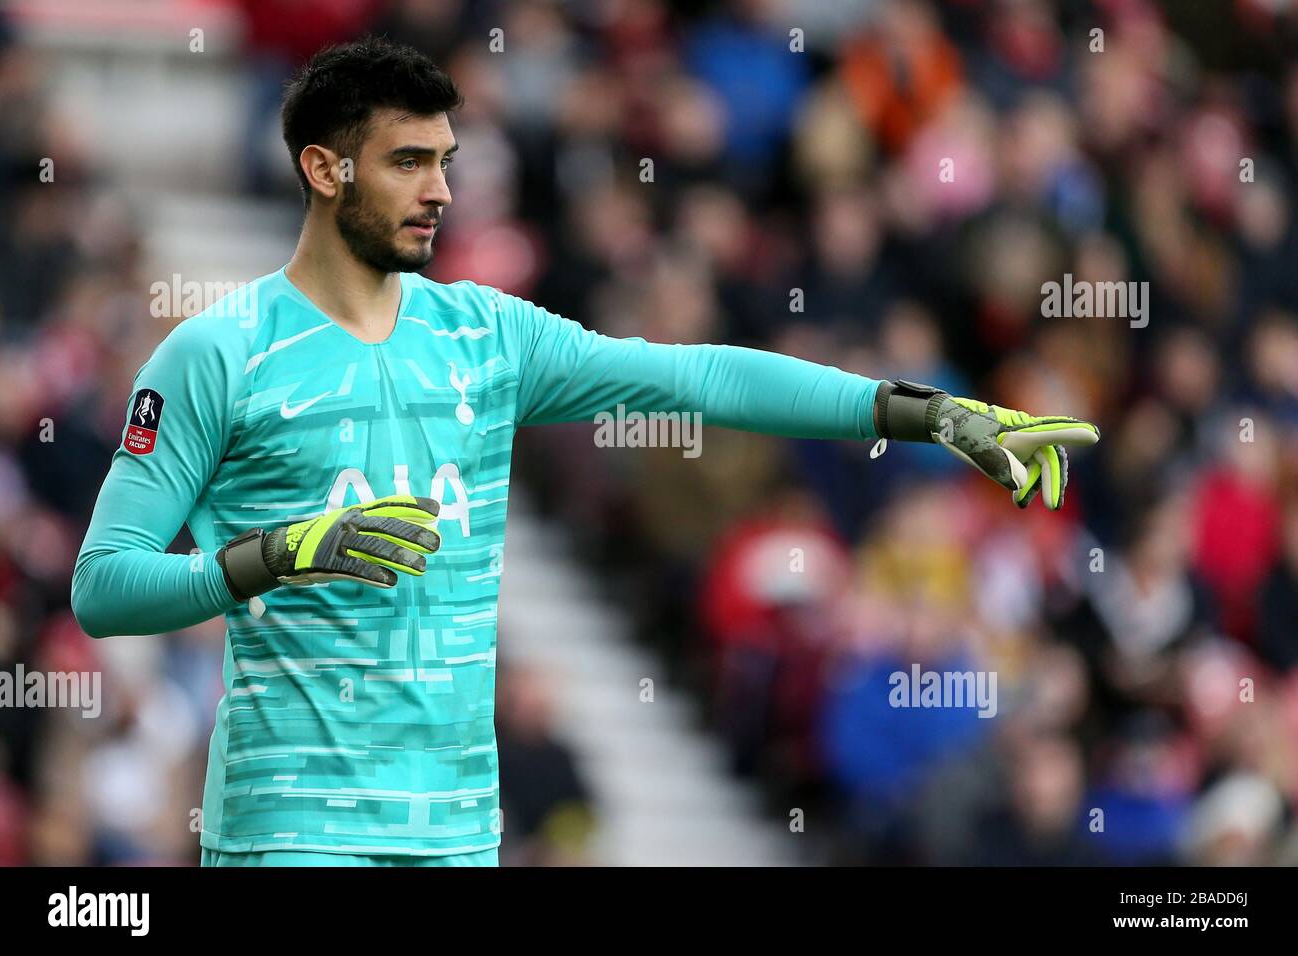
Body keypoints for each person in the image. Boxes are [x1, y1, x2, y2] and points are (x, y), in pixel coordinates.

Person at [70, 36, 1098, 867]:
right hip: (290, 827)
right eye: (406, 162)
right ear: (322, 168)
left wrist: (921, 413)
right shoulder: (218, 353)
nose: (437, 191)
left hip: (456, 834)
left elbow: (701, 379)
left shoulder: (488, 334)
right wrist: (274, 556)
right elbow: (106, 586)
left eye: (445, 162)